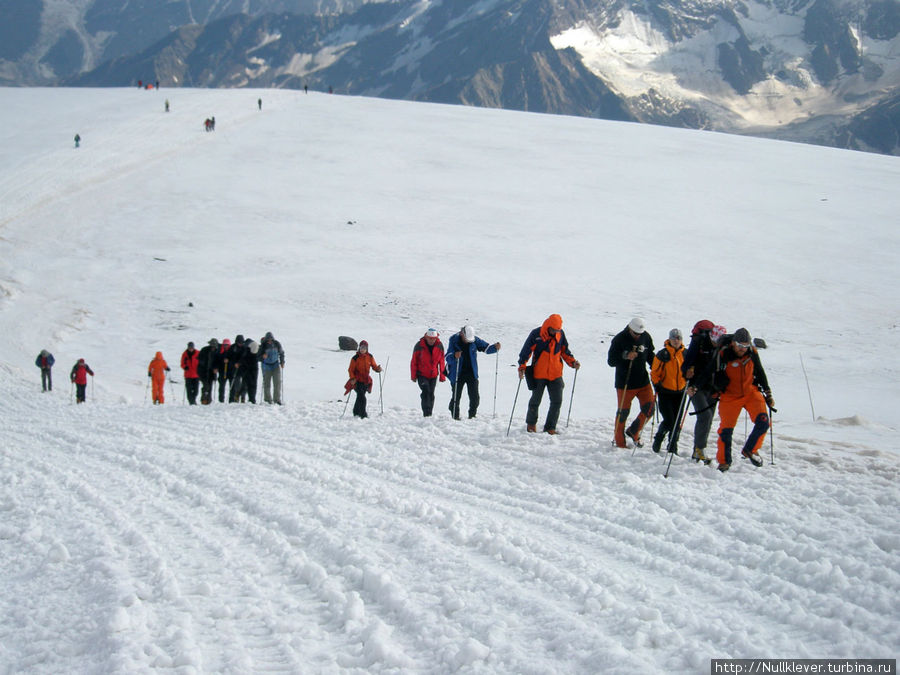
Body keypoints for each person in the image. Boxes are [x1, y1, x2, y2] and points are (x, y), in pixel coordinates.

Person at [698, 328, 774, 472]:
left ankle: (750, 450)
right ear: (733, 343)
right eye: (740, 345)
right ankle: (724, 462)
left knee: (763, 422)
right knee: (726, 431)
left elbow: (760, 372)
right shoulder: (723, 354)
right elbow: (709, 371)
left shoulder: (752, 353)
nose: (742, 349)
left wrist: (768, 393)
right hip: (729, 395)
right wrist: (696, 386)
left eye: (745, 346)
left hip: (751, 392)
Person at [517, 314, 580, 434]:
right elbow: (526, 351)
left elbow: (564, 351)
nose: (556, 332)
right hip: (538, 374)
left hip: (556, 374)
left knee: (557, 401)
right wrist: (522, 367)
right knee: (535, 401)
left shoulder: (560, 334)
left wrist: (573, 363)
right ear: (549, 326)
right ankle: (531, 425)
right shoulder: (536, 334)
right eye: (554, 330)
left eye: (558, 330)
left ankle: (550, 428)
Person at [607, 318, 655, 448]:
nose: (638, 336)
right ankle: (620, 442)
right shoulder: (619, 339)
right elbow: (611, 361)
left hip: (643, 381)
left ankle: (634, 430)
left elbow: (650, 355)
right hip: (625, 383)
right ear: (629, 328)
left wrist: (657, 370)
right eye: (635, 333)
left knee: (650, 409)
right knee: (623, 412)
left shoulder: (645, 337)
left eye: (639, 334)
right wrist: (626, 356)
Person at [681, 320, 721, 464]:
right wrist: (687, 372)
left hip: (712, 387)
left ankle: (698, 450)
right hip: (695, 386)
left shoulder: (722, 346)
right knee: (705, 416)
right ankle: (699, 450)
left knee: (708, 418)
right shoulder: (698, 343)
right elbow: (686, 364)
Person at [446, 326, 500, 419]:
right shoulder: (454, 340)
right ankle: (455, 416)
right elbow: (447, 357)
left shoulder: (475, 340)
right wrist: (455, 355)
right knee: (456, 397)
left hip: (471, 372)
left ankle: (472, 416)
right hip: (457, 373)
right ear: (462, 334)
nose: (469, 341)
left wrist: (495, 348)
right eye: (467, 339)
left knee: (475, 398)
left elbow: (486, 348)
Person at [650, 329, 686, 454]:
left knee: (677, 421)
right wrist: (657, 385)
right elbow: (654, 372)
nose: (676, 340)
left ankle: (672, 445)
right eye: (674, 338)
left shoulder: (685, 354)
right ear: (669, 339)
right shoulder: (663, 354)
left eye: (678, 338)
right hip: (665, 392)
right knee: (669, 420)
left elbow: (689, 370)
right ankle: (659, 438)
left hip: (680, 392)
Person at [410, 328, 446, 417]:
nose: (431, 340)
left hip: (433, 375)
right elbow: (414, 361)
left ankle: (429, 412)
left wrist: (442, 375)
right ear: (426, 337)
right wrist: (413, 376)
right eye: (430, 338)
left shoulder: (439, 346)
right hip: (421, 374)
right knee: (426, 391)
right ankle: (426, 413)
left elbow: (441, 362)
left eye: (433, 338)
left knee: (431, 393)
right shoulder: (419, 346)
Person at [345, 340, 382, 418]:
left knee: (360, 397)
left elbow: (374, 366)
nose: (362, 349)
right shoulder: (355, 358)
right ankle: (363, 415)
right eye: (361, 347)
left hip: (366, 381)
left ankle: (356, 412)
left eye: (364, 348)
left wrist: (377, 369)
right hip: (357, 381)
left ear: (367, 348)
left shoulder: (370, 357)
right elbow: (350, 370)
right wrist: (352, 378)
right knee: (362, 397)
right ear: (359, 348)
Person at [259, 332, 285, 404]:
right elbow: (258, 357)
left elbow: (281, 353)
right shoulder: (263, 346)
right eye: (268, 340)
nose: (269, 341)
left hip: (275, 365)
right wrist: (262, 357)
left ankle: (277, 399)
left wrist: (282, 361)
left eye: (271, 339)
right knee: (267, 383)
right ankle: (268, 399)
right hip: (266, 366)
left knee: (277, 382)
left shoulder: (277, 344)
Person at [236, 339, 259, 403]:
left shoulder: (250, 349)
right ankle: (242, 396)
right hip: (247, 369)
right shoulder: (246, 350)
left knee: (252, 384)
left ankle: (252, 399)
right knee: (247, 384)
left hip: (253, 369)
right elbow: (243, 359)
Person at [197, 338, 219, 404]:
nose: (213, 348)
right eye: (212, 346)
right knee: (206, 386)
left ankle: (208, 400)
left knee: (210, 386)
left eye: (214, 346)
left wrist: (216, 368)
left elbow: (217, 362)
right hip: (203, 372)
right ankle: (203, 399)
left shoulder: (216, 352)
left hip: (211, 373)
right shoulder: (204, 350)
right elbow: (200, 360)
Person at [228, 335, 248, 403]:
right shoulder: (232, 347)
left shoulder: (245, 348)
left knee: (244, 383)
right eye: (239, 342)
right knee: (237, 383)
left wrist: (240, 363)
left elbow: (245, 357)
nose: (240, 344)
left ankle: (243, 397)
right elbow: (229, 357)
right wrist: (234, 364)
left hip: (243, 368)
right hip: (235, 368)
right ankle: (236, 396)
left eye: (241, 342)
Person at [214, 338, 232, 403]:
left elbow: (234, 360)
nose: (226, 346)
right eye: (225, 345)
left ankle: (231, 400)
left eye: (227, 345)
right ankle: (221, 400)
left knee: (232, 386)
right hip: (222, 372)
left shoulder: (232, 351)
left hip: (230, 372)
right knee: (221, 387)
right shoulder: (220, 352)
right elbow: (217, 361)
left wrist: (229, 361)